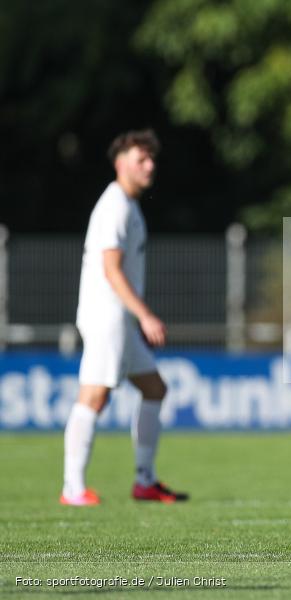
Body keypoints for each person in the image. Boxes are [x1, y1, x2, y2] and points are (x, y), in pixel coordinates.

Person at [60, 129, 187, 506]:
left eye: (151, 160)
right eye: (140, 160)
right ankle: (72, 488)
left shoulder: (129, 205)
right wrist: (145, 314)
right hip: (107, 316)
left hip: (120, 318)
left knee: (154, 389)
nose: (149, 166)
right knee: (95, 395)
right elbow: (111, 268)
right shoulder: (114, 205)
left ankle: (144, 481)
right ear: (120, 163)